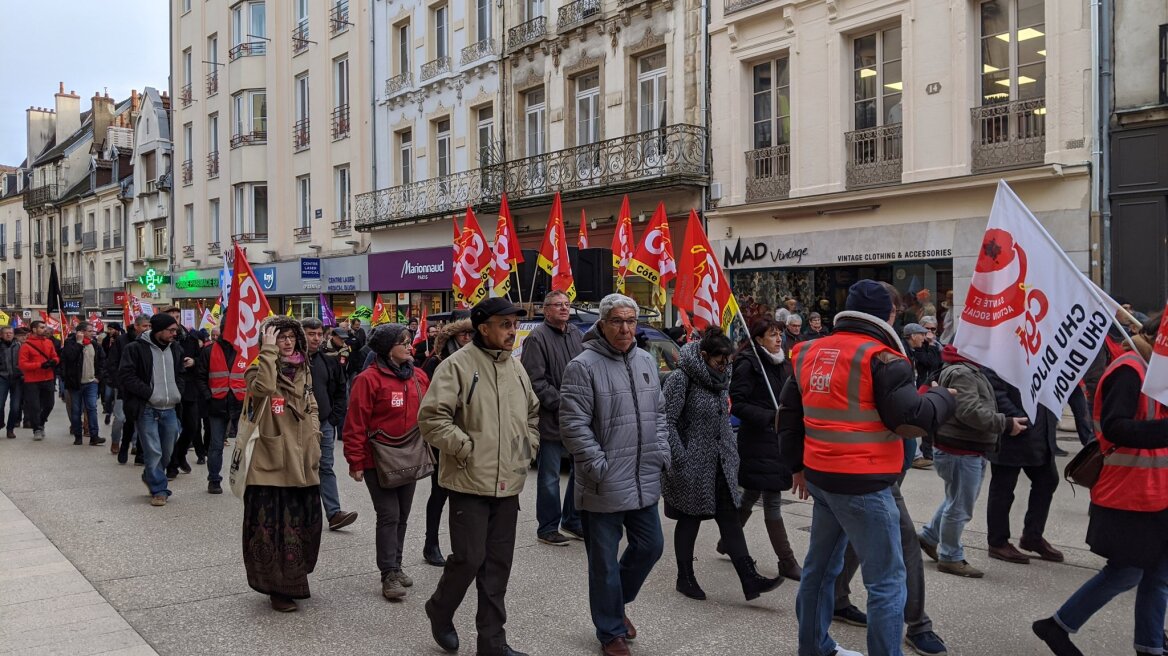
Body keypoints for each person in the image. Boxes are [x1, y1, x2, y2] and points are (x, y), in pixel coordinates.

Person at [779, 279, 955, 656]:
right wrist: (942, 397)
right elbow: (911, 417)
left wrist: (797, 466)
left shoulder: (808, 350)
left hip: (821, 476)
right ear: (888, 315)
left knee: (819, 570)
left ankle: (814, 648)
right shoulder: (883, 357)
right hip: (865, 483)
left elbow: (790, 415)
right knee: (887, 582)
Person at [1032, 313, 1168, 656]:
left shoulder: (1157, 373)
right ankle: (1057, 626)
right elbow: (1115, 427)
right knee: (1126, 573)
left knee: (1159, 575)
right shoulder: (1130, 370)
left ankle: (1150, 646)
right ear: (1157, 338)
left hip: (1158, 493)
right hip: (1129, 495)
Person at [419, 297, 539, 656]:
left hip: (509, 485)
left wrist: (526, 447)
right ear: (482, 328)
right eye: (505, 324)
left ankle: (492, 642)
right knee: (469, 559)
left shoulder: (516, 368)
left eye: (514, 324)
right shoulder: (457, 366)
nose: (512, 330)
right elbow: (431, 419)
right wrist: (465, 447)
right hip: (469, 483)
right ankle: (440, 608)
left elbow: (533, 412)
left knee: (498, 566)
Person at [560, 293, 671, 656]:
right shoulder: (583, 365)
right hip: (603, 481)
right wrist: (597, 466)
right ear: (603, 324)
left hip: (643, 476)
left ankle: (613, 605)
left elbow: (660, 412)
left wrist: (661, 451)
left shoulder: (644, 359)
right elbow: (573, 425)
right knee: (604, 563)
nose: (625, 328)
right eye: (617, 321)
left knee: (651, 546)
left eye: (630, 321)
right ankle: (610, 631)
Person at [663, 327, 783, 601]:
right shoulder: (681, 379)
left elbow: (722, 421)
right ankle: (685, 577)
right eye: (719, 361)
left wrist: (732, 455)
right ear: (704, 356)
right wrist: (680, 458)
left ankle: (749, 579)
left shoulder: (721, 378)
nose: (724, 366)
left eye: (727, 360)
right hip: (689, 464)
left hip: (719, 463)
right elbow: (666, 422)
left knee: (729, 517)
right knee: (689, 518)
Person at [919, 345, 1025, 578]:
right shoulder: (963, 372)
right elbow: (968, 411)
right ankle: (950, 557)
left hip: (961, 448)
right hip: (961, 449)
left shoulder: (965, 369)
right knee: (960, 506)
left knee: (955, 499)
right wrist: (1004, 423)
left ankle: (929, 536)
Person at [241, 316, 323, 613]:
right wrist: (267, 352)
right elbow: (261, 389)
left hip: (302, 460)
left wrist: (315, 432)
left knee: (303, 526)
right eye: (280, 337)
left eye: (290, 337)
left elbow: (311, 403)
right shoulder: (257, 367)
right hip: (270, 463)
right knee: (271, 530)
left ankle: (295, 580)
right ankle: (277, 589)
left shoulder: (305, 368)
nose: (286, 342)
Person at [344, 323, 430, 600]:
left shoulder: (418, 377)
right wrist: (355, 460)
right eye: (402, 342)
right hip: (377, 459)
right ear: (386, 349)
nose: (409, 346)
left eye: (409, 341)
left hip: (410, 455)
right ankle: (388, 574)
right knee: (389, 515)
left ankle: (397, 564)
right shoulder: (368, 380)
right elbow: (355, 422)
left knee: (403, 515)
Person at [728, 317, 801, 581]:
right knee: (772, 499)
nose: (778, 339)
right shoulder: (749, 363)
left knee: (751, 494)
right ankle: (787, 560)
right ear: (759, 339)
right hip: (758, 438)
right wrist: (770, 417)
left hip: (779, 439)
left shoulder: (784, 362)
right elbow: (737, 404)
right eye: (772, 335)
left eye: (780, 334)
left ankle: (729, 539)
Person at [520, 291, 585, 547]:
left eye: (567, 305)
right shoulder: (537, 338)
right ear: (545, 310)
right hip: (550, 418)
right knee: (549, 476)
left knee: (581, 472)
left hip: (578, 416)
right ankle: (547, 527)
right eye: (558, 305)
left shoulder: (577, 335)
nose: (564, 308)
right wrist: (560, 403)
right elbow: (534, 380)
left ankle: (572, 520)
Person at [983, 369, 1064, 565]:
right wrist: (1015, 417)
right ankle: (997, 541)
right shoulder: (1004, 347)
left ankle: (1032, 536)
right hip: (1014, 431)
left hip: (1040, 430)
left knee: (1047, 480)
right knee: (1003, 488)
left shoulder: (1042, 346)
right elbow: (994, 388)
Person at [418, 317, 472, 566]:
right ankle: (431, 544)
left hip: (470, 437)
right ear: (452, 337)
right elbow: (430, 405)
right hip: (443, 437)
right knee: (440, 493)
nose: (468, 339)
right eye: (464, 335)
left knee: (465, 496)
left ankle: (463, 547)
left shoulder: (476, 361)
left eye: (472, 335)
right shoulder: (436, 362)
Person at [117, 313, 185, 506]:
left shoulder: (176, 349)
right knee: (152, 450)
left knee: (167, 449)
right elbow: (127, 376)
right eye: (171, 330)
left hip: (170, 407)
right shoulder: (136, 349)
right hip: (146, 407)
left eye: (176, 330)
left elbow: (180, 373)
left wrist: (178, 392)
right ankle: (159, 489)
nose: (174, 333)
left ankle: (150, 474)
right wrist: (150, 393)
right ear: (158, 330)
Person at [301, 318, 357, 530]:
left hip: (324, 424)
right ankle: (303, 514)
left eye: (318, 334)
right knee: (301, 468)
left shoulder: (328, 362)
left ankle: (334, 513)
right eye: (310, 334)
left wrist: (333, 419)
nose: (316, 338)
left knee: (325, 467)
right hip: (298, 425)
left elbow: (341, 392)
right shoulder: (291, 362)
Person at [195, 324, 245, 494]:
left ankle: (247, 480)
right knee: (216, 445)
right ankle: (214, 480)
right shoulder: (208, 352)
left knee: (246, 446)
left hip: (241, 404)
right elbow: (200, 377)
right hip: (217, 404)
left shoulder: (245, 351)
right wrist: (208, 397)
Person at [164, 307, 205, 476]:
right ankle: (172, 463)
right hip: (171, 387)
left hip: (189, 388)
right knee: (172, 429)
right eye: (171, 317)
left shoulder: (190, 338)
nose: (175, 319)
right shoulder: (164, 340)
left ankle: (180, 454)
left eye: (177, 316)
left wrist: (193, 361)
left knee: (192, 426)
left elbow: (200, 360)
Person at [113, 315, 152, 464]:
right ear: (136, 326)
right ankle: (124, 446)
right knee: (128, 421)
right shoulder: (122, 341)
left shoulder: (151, 342)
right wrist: (120, 384)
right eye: (144, 326)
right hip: (127, 388)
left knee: (144, 421)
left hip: (145, 388)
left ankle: (140, 453)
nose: (147, 329)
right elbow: (114, 364)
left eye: (149, 326)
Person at [61, 321, 106, 446]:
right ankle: (78, 436)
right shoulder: (70, 344)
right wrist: (79, 343)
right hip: (75, 383)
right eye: (89, 331)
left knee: (92, 408)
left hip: (91, 383)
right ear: (81, 332)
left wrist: (98, 377)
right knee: (76, 410)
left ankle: (94, 436)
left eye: (92, 331)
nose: (92, 333)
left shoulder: (95, 345)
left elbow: (102, 362)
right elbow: (70, 357)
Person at [18, 320, 60, 441]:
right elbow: (22, 365)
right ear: (34, 330)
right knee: (34, 406)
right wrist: (40, 365)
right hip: (32, 380)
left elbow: (55, 356)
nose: (45, 329)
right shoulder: (26, 346)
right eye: (41, 327)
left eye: (45, 327)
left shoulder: (49, 342)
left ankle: (41, 423)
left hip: (48, 378)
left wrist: (54, 361)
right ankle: (36, 429)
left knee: (49, 405)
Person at [0, 325, 23, 439]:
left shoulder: (19, 346)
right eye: (6, 333)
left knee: (15, 407)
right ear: (1, 335)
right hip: (2, 378)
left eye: (10, 333)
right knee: (0, 404)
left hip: (17, 378)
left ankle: (10, 429)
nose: (8, 334)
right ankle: (0, 422)